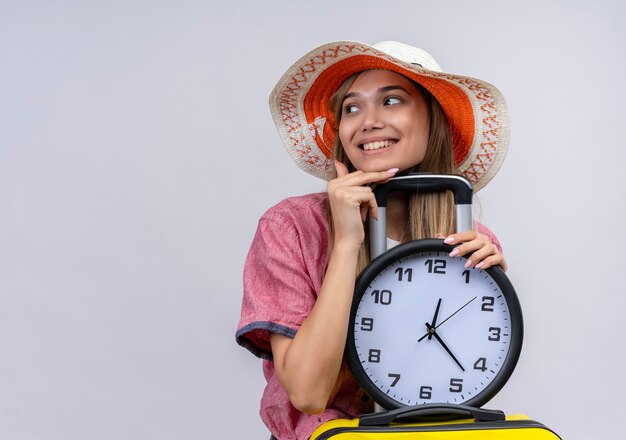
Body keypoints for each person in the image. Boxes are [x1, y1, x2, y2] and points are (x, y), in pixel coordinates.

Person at [236, 41, 510, 440]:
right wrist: (347, 243)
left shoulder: (472, 240)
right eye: (351, 108)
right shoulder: (291, 227)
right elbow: (308, 394)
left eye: (392, 100)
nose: (368, 121)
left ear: (434, 120)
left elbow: (463, 384)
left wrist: (493, 302)